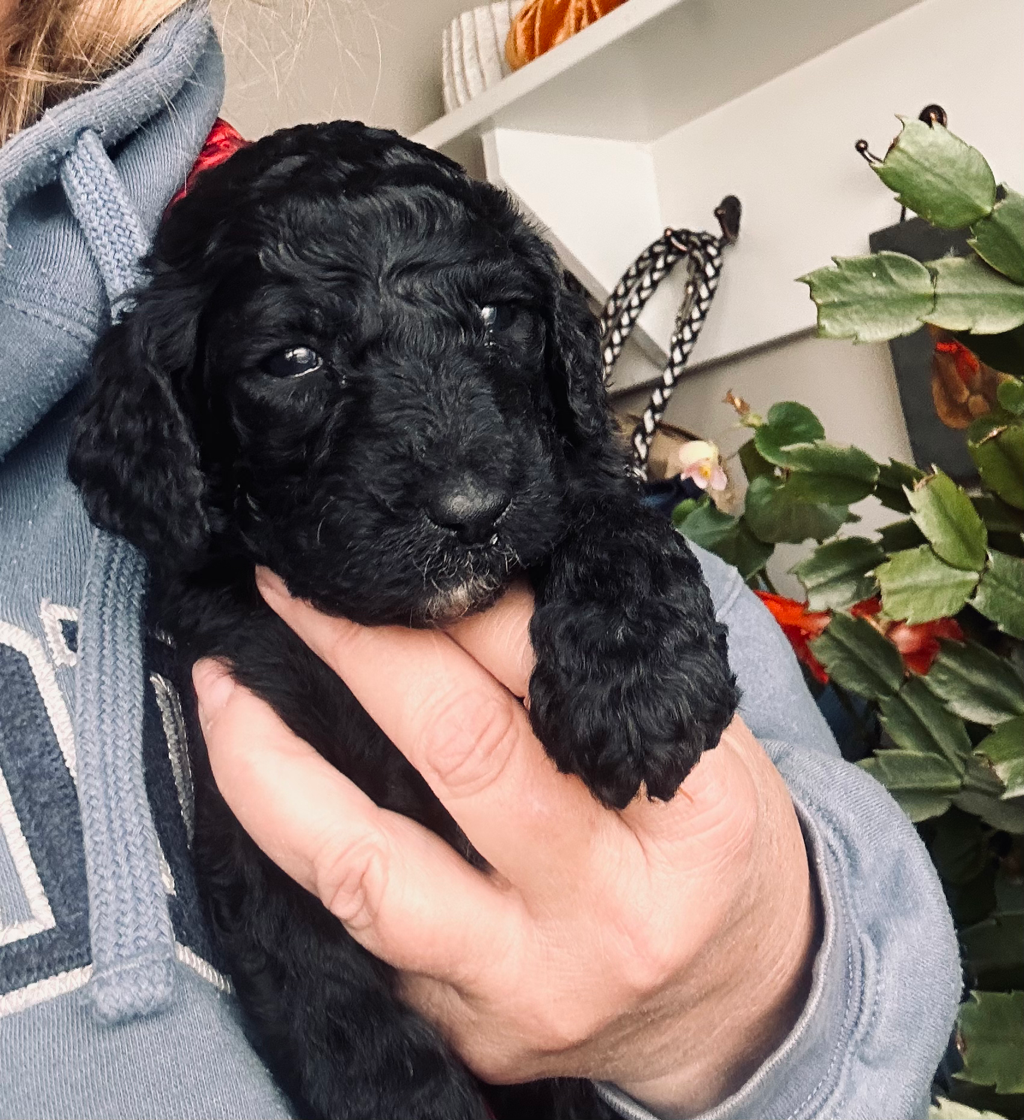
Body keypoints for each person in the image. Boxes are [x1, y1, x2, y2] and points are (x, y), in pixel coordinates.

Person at [0, 2, 961, 1117]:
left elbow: (846, 951)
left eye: (495, 316)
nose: (463, 481)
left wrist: (751, 994)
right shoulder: (182, 453)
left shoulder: (560, 516)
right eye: (298, 357)